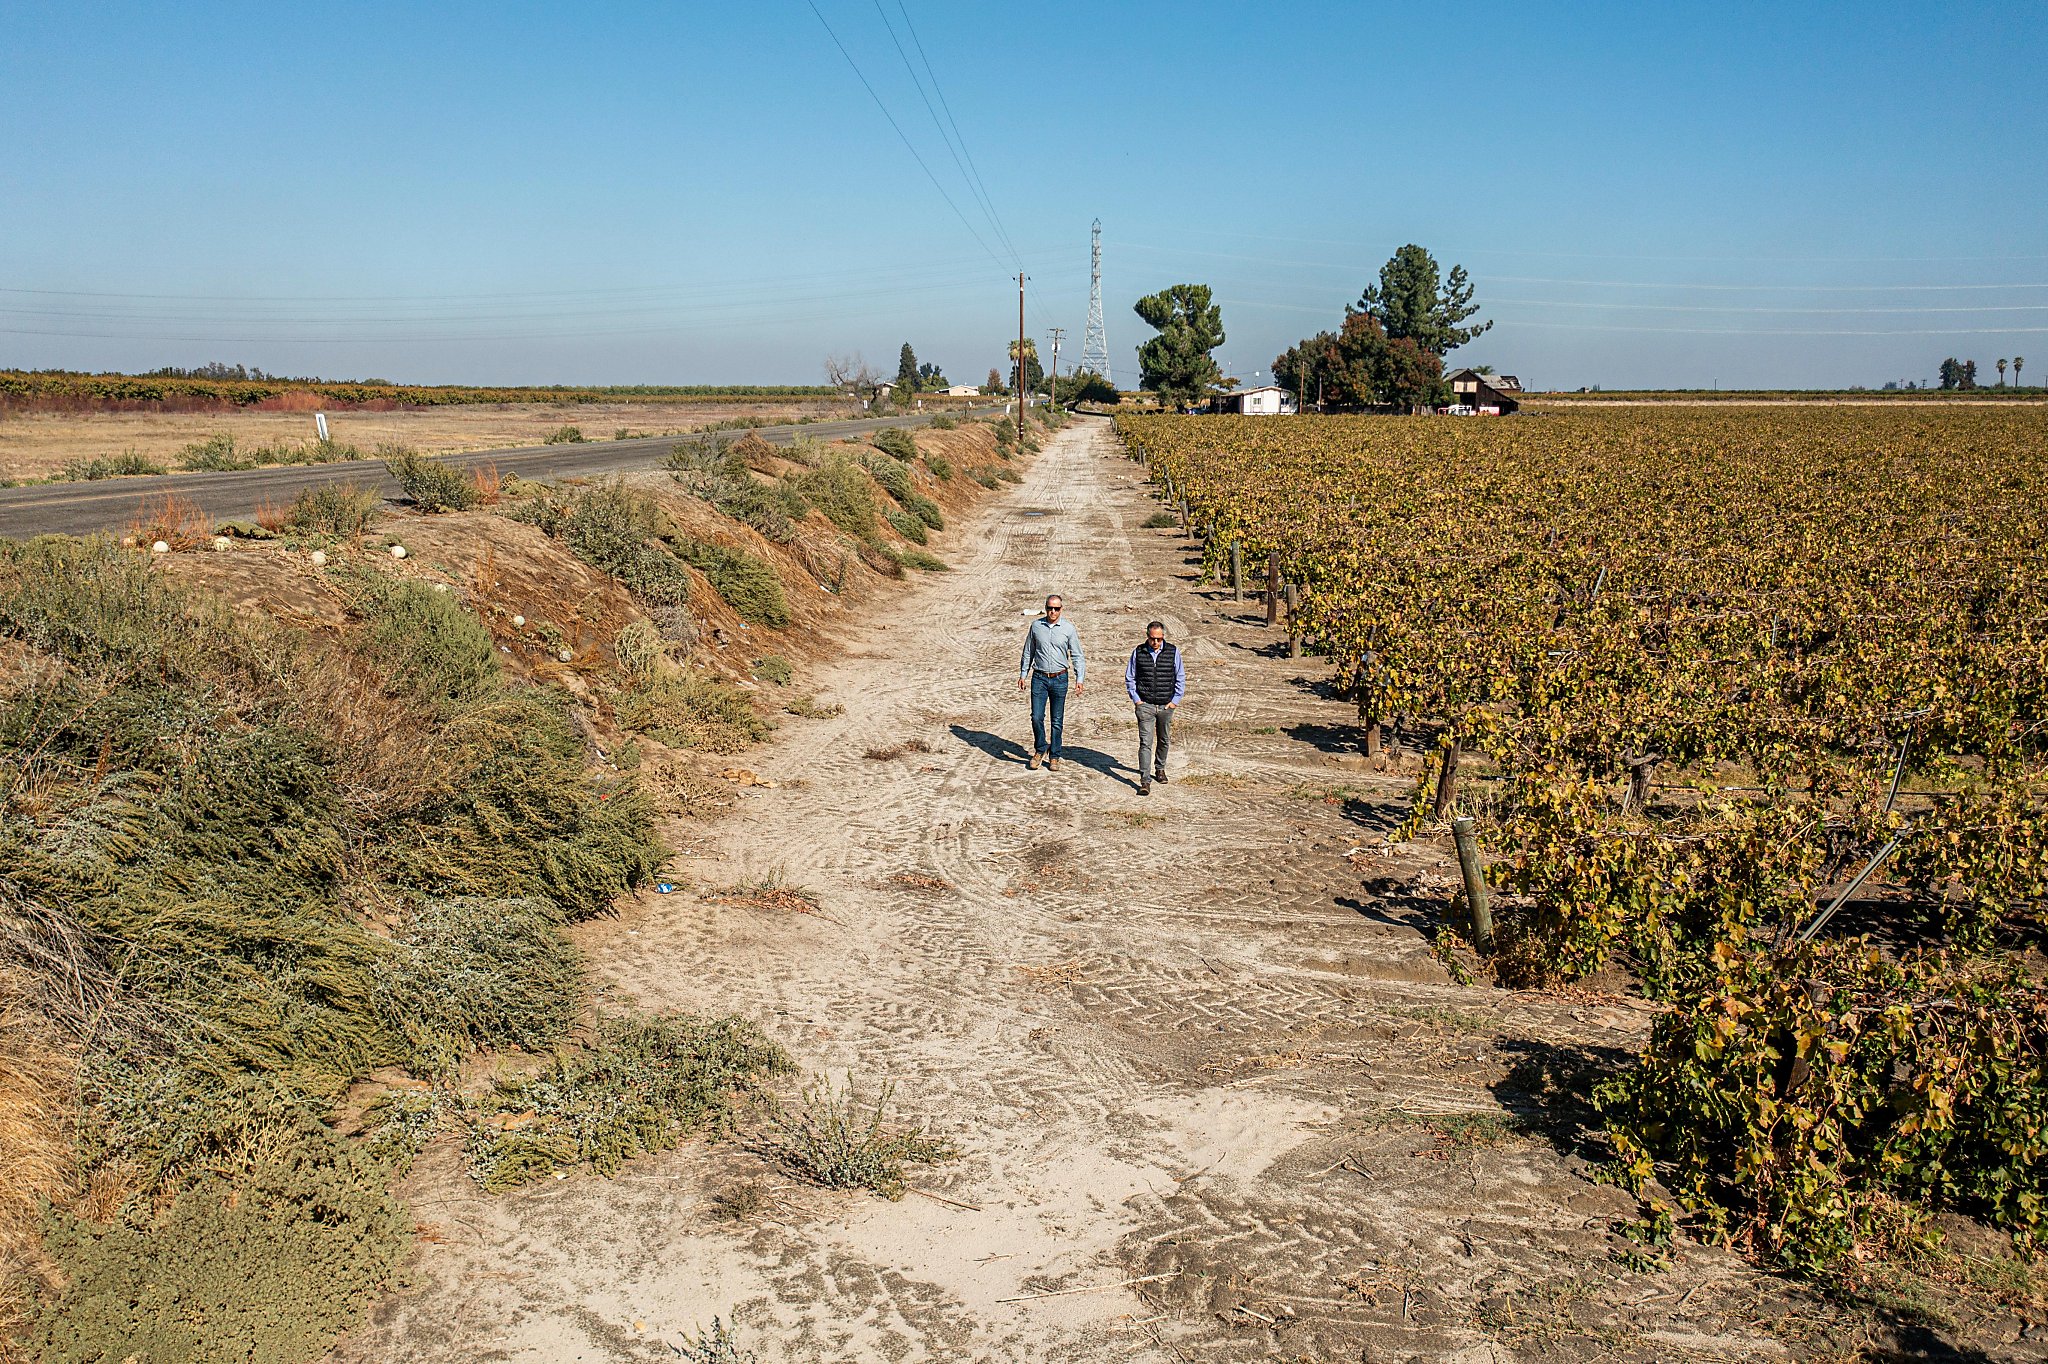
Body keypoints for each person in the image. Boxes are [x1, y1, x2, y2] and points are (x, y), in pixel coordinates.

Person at [1017, 594, 1084, 770]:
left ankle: (1054, 755)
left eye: (1056, 608)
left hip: (1060, 678)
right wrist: (1023, 674)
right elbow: (1028, 651)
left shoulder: (1068, 629)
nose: (1052, 611)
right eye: (1049, 608)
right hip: (1039, 677)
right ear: (1045, 608)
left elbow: (1077, 655)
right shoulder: (1036, 626)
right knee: (1036, 717)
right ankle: (1040, 749)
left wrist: (1080, 678)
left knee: (1057, 720)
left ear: (1061, 609)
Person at [1125, 620, 1184, 794]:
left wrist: (1174, 701)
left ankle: (1160, 768)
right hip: (1146, 705)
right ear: (1147, 637)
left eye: (1159, 639)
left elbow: (1180, 676)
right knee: (1146, 742)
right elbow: (1130, 677)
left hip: (1166, 705)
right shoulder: (1139, 652)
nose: (1156, 643)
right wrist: (1137, 700)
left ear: (1163, 637)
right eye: (1153, 639)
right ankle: (1145, 780)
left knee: (1164, 739)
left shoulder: (1173, 652)